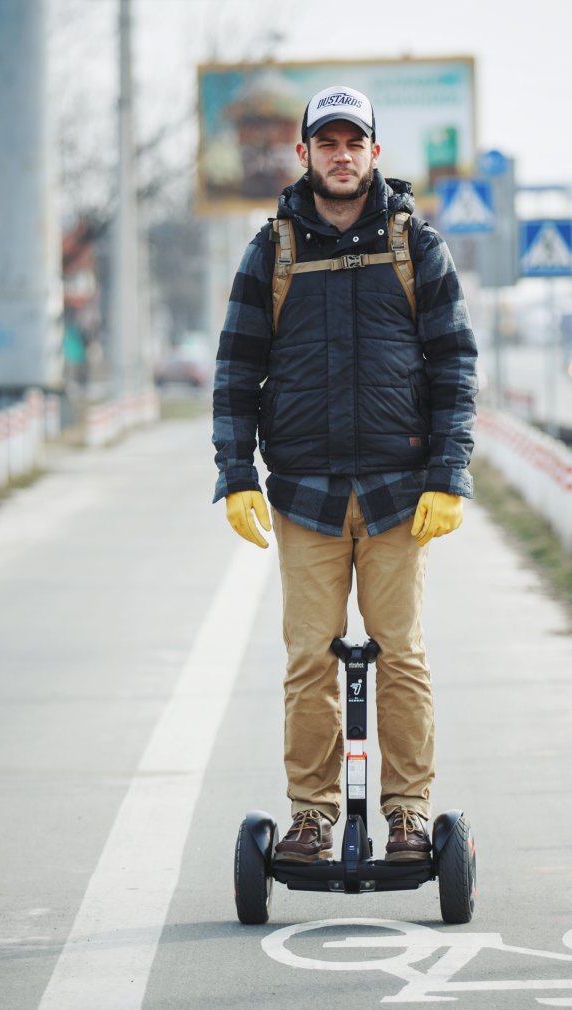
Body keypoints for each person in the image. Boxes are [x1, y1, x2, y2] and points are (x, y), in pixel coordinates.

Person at [211, 84, 478, 865]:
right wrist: (236, 475)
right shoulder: (273, 250)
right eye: (326, 142)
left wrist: (448, 475)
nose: (340, 154)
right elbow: (236, 370)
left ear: (373, 152)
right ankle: (311, 817)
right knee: (309, 660)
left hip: (400, 495)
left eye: (352, 141)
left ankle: (406, 815)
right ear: (304, 153)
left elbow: (456, 364)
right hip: (306, 494)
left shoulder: (415, 245)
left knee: (400, 653)